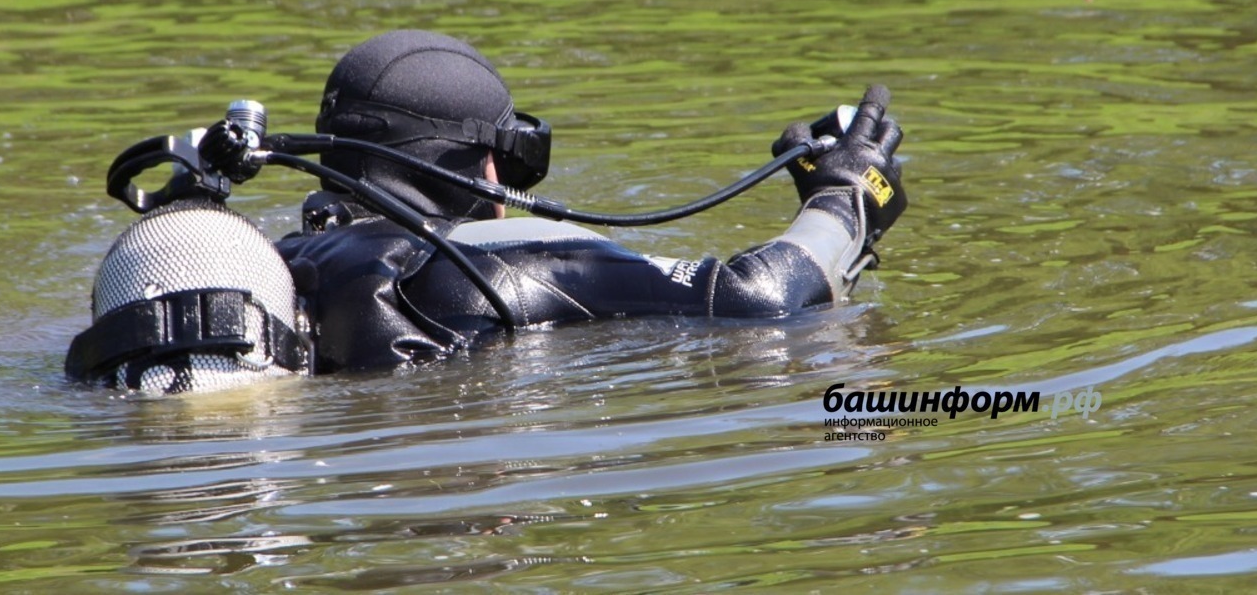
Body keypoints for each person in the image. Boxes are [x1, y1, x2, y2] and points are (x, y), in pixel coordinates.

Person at [66, 30, 907, 394]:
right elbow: (760, 298)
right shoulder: (495, 260)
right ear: (483, 160)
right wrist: (848, 194)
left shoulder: (282, 263)